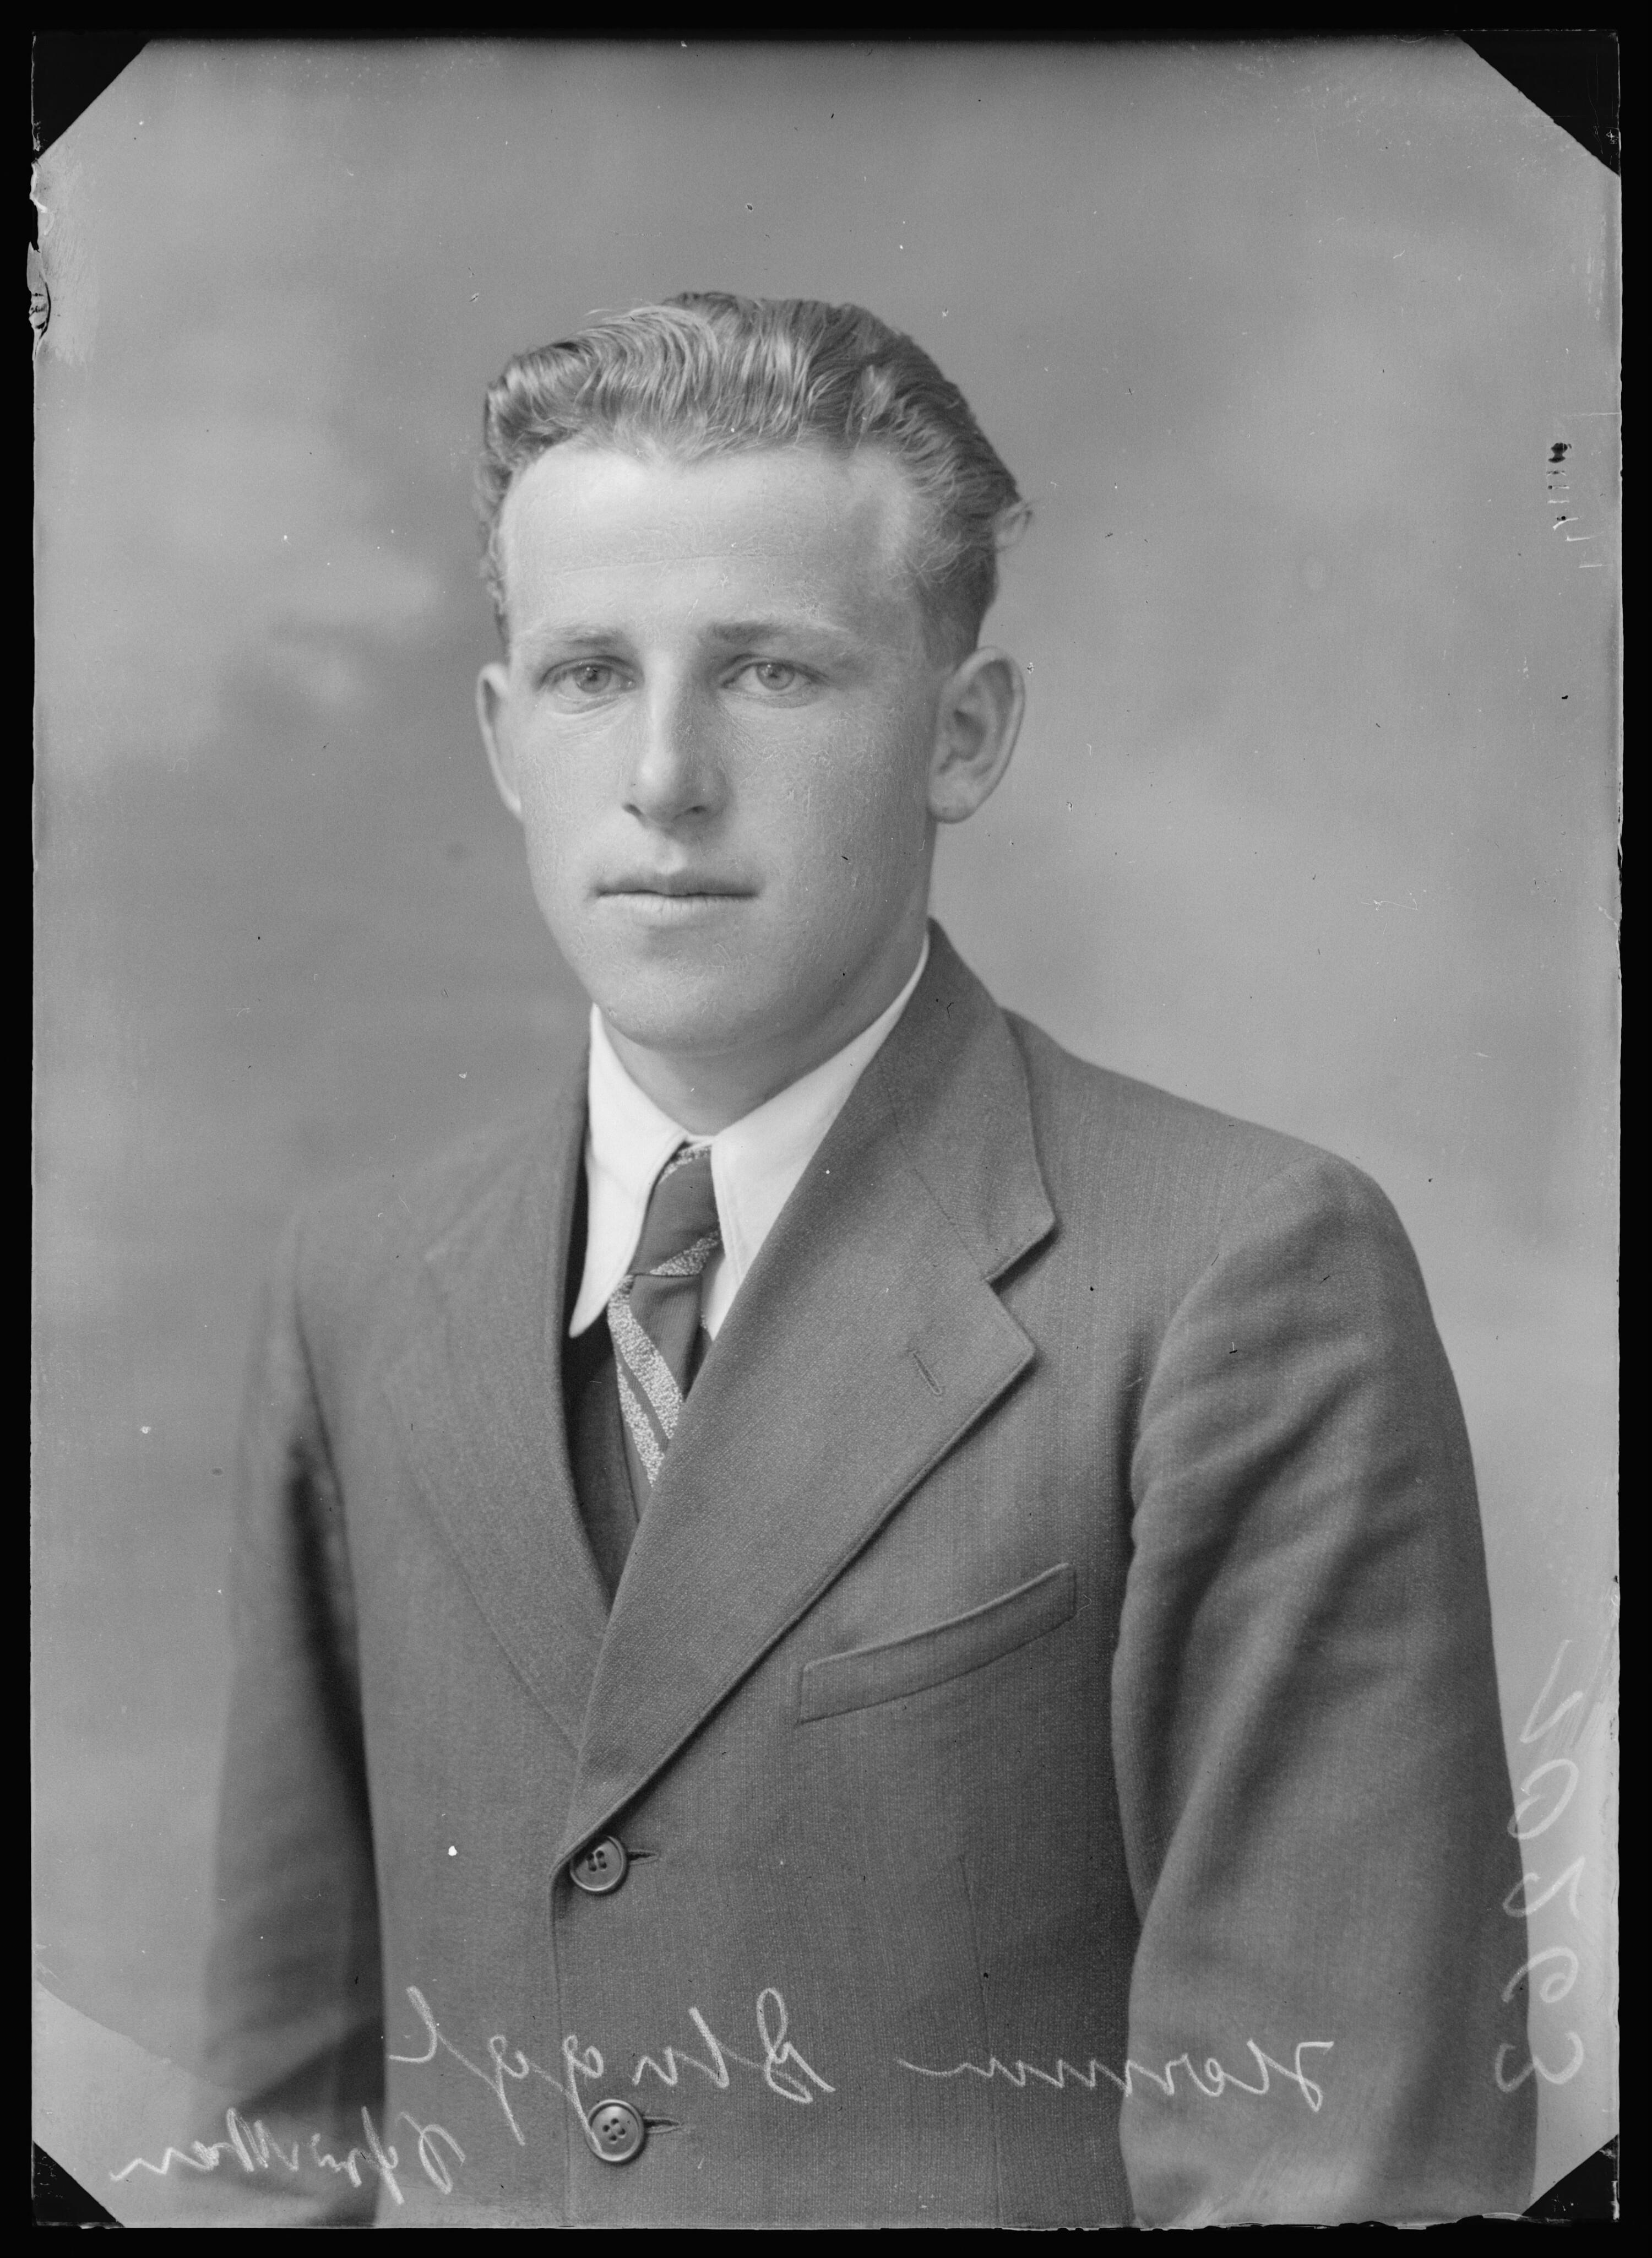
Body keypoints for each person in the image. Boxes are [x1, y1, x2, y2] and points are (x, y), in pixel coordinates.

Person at [200, 293, 1535, 2227]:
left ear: (962, 734)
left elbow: (1335, 2167)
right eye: (588, 673)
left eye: (770, 671)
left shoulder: (1241, 1279)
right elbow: (277, 2152)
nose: (664, 775)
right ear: (501, 738)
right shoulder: (360, 1286)